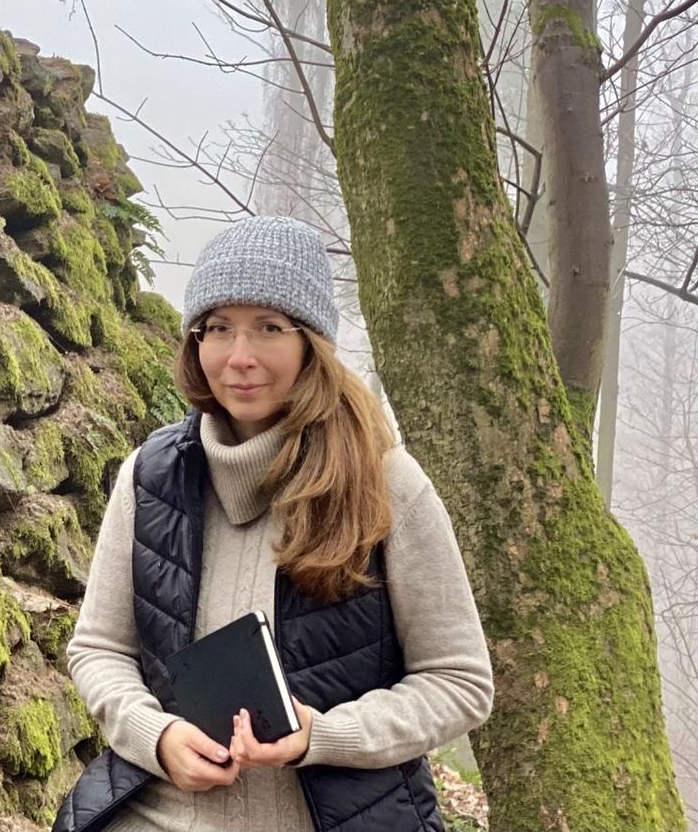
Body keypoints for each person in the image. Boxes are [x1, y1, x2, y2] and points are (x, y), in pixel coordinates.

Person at [53, 216, 494, 832]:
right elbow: (100, 649)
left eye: (268, 327)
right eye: (218, 328)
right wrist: (157, 737)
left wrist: (324, 735)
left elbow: (459, 681)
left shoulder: (386, 482)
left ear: (312, 344)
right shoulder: (150, 476)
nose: (240, 357)